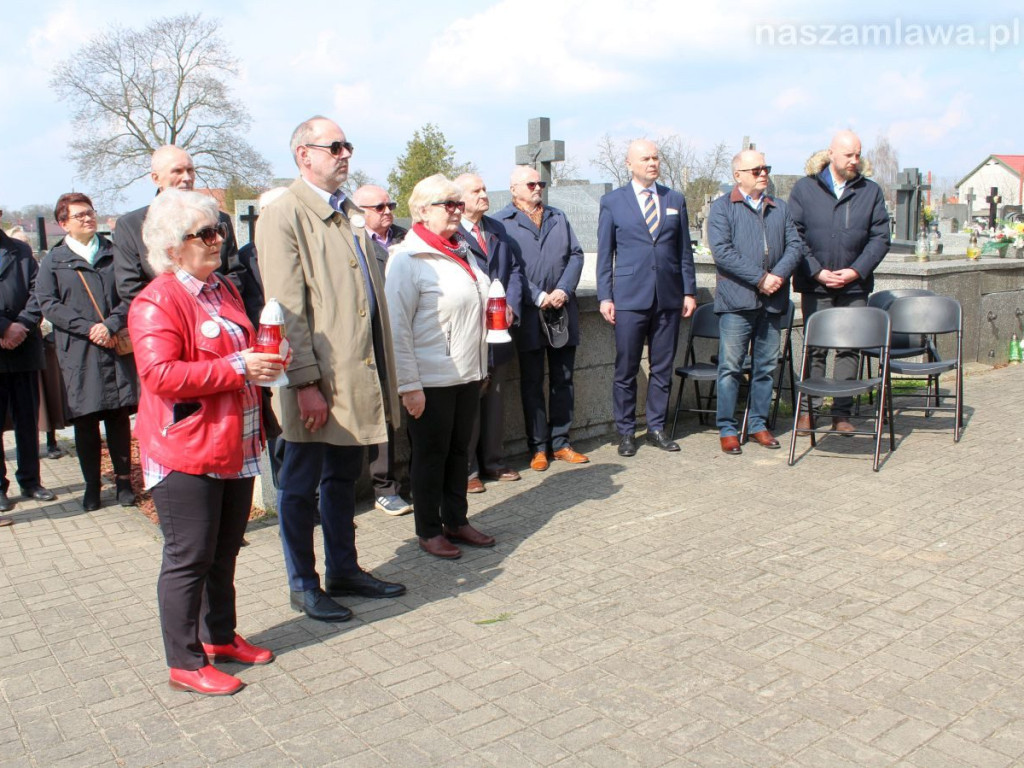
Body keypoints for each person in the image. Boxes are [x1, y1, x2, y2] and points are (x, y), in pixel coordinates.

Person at [129, 189, 285, 696]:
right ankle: (184, 661)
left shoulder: (222, 289)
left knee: (224, 551)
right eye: (206, 234)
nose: (218, 241)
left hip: (234, 444)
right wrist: (239, 366)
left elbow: (240, 347)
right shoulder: (156, 301)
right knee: (188, 556)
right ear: (174, 248)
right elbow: (160, 375)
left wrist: (265, 360)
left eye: (218, 230)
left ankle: (218, 636)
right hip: (187, 450)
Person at [256, 116, 406, 622]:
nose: (345, 153)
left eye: (347, 145)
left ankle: (344, 568)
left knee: (343, 480)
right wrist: (304, 384)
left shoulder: (345, 213)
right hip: (316, 382)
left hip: (353, 377)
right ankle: (303, 583)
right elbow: (286, 308)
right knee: (299, 487)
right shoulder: (283, 214)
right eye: (334, 146)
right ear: (304, 155)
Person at [386, 174, 494, 559]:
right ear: (422, 211)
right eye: (447, 204)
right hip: (430, 378)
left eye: (457, 204)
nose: (456, 210)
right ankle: (429, 529)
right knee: (430, 455)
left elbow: (480, 294)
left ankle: (456, 520)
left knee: (458, 453)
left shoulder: (458, 250)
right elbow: (396, 328)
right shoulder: (408, 260)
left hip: (466, 371)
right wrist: (409, 385)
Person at [35, 193, 138, 510]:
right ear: (63, 223)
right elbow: (48, 303)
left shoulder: (113, 253)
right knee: (86, 419)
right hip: (79, 351)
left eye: (90, 212)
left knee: (118, 418)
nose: (87, 218)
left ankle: (124, 483)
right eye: (79, 215)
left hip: (114, 345)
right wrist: (88, 328)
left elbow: (130, 293)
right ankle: (92, 486)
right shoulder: (54, 260)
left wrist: (111, 323)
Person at [596, 139, 697, 457]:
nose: (652, 163)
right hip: (629, 298)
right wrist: (604, 296)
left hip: (668, 297)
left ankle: (656, 427)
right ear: (630, 164)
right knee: (626, 368)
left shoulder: (674, 199)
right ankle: (626, 432)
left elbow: (684, 252)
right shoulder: (613, 202)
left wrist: (689, 290)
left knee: (662, 367)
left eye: (656, 158)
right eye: (645, 158)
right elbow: (604, 254)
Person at [788, 130, 890, 433]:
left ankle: (841, 412)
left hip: (854, 285)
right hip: (815, 283)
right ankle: (810, 409)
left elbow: (880, 237)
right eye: (848, 155)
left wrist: (856, 270)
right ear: (831, 153)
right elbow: (795, 234)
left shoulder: (869, 191)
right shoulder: (805, 189)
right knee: (815, 346)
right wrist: (816, 270)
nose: (854, 161)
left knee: (849, 347)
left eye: (858, 154)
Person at [707, 151, 803, 455]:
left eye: (766, 168)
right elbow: (722, 251)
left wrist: (777, 275)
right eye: (757, 169)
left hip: (772, 302)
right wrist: (760, 278)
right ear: (739, 175)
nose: (764, 173)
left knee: (765, 367)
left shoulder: (779, 207)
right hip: (738, 302)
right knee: (730, 367)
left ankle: (759, 424)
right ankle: (727, 428)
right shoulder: (723, 208)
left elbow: (795, 246)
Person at [494, 166, 588, 471]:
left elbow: (576, 254)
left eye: (541, 183)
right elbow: (510, 267)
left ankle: (561, 443)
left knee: (564, 379)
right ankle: (537, 448)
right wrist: (536, 295)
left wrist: (563, 289)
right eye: (531, 183)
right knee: (532, 382)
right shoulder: (500, 223)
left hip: (562, 312)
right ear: (514, 189)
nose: (538, 187)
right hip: (530, 315)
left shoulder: (558, 216)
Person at [455, 173, 523, 493]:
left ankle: (494, 461)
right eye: (476, 190)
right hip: (468, 331)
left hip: (499, 331)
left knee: (495, 397)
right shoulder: (451, 232)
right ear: (459, 199)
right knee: (469, 398)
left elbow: (516, 271)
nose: (484, 194)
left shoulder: (497, 229)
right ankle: (467, 471)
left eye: (484, 188)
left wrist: (512, 304)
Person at [351, 184, 412, 516]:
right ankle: (382, 486)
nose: (387, 211)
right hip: (373, 336)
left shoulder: (405, 239)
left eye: (390, 204)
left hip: (408, 335)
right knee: (379, 411)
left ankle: (410, 479)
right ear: (360, 213)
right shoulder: (352, 243)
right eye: (379, 207)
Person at [114, 145, 240, 305]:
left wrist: (212, 303)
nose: (187, 177)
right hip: (166, 316)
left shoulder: (218, 218)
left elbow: (234, 272)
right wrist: (183, 308)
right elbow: (130, 286)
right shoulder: (131, 225)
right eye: (177, 171)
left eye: (190, 170)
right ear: (155, 178)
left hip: (218, 309)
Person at [0, 225, 56, 523]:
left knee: (27, 420)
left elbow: (38, 292)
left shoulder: (20, 250)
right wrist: (3, 328)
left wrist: (22, 324)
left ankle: (31, 481)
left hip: (24, 348)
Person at [353, 184, 407, 250]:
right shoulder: (354, 242)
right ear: (360, 210)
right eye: (380, 207)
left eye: (390, 206)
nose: (388, 211)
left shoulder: (406, 236)